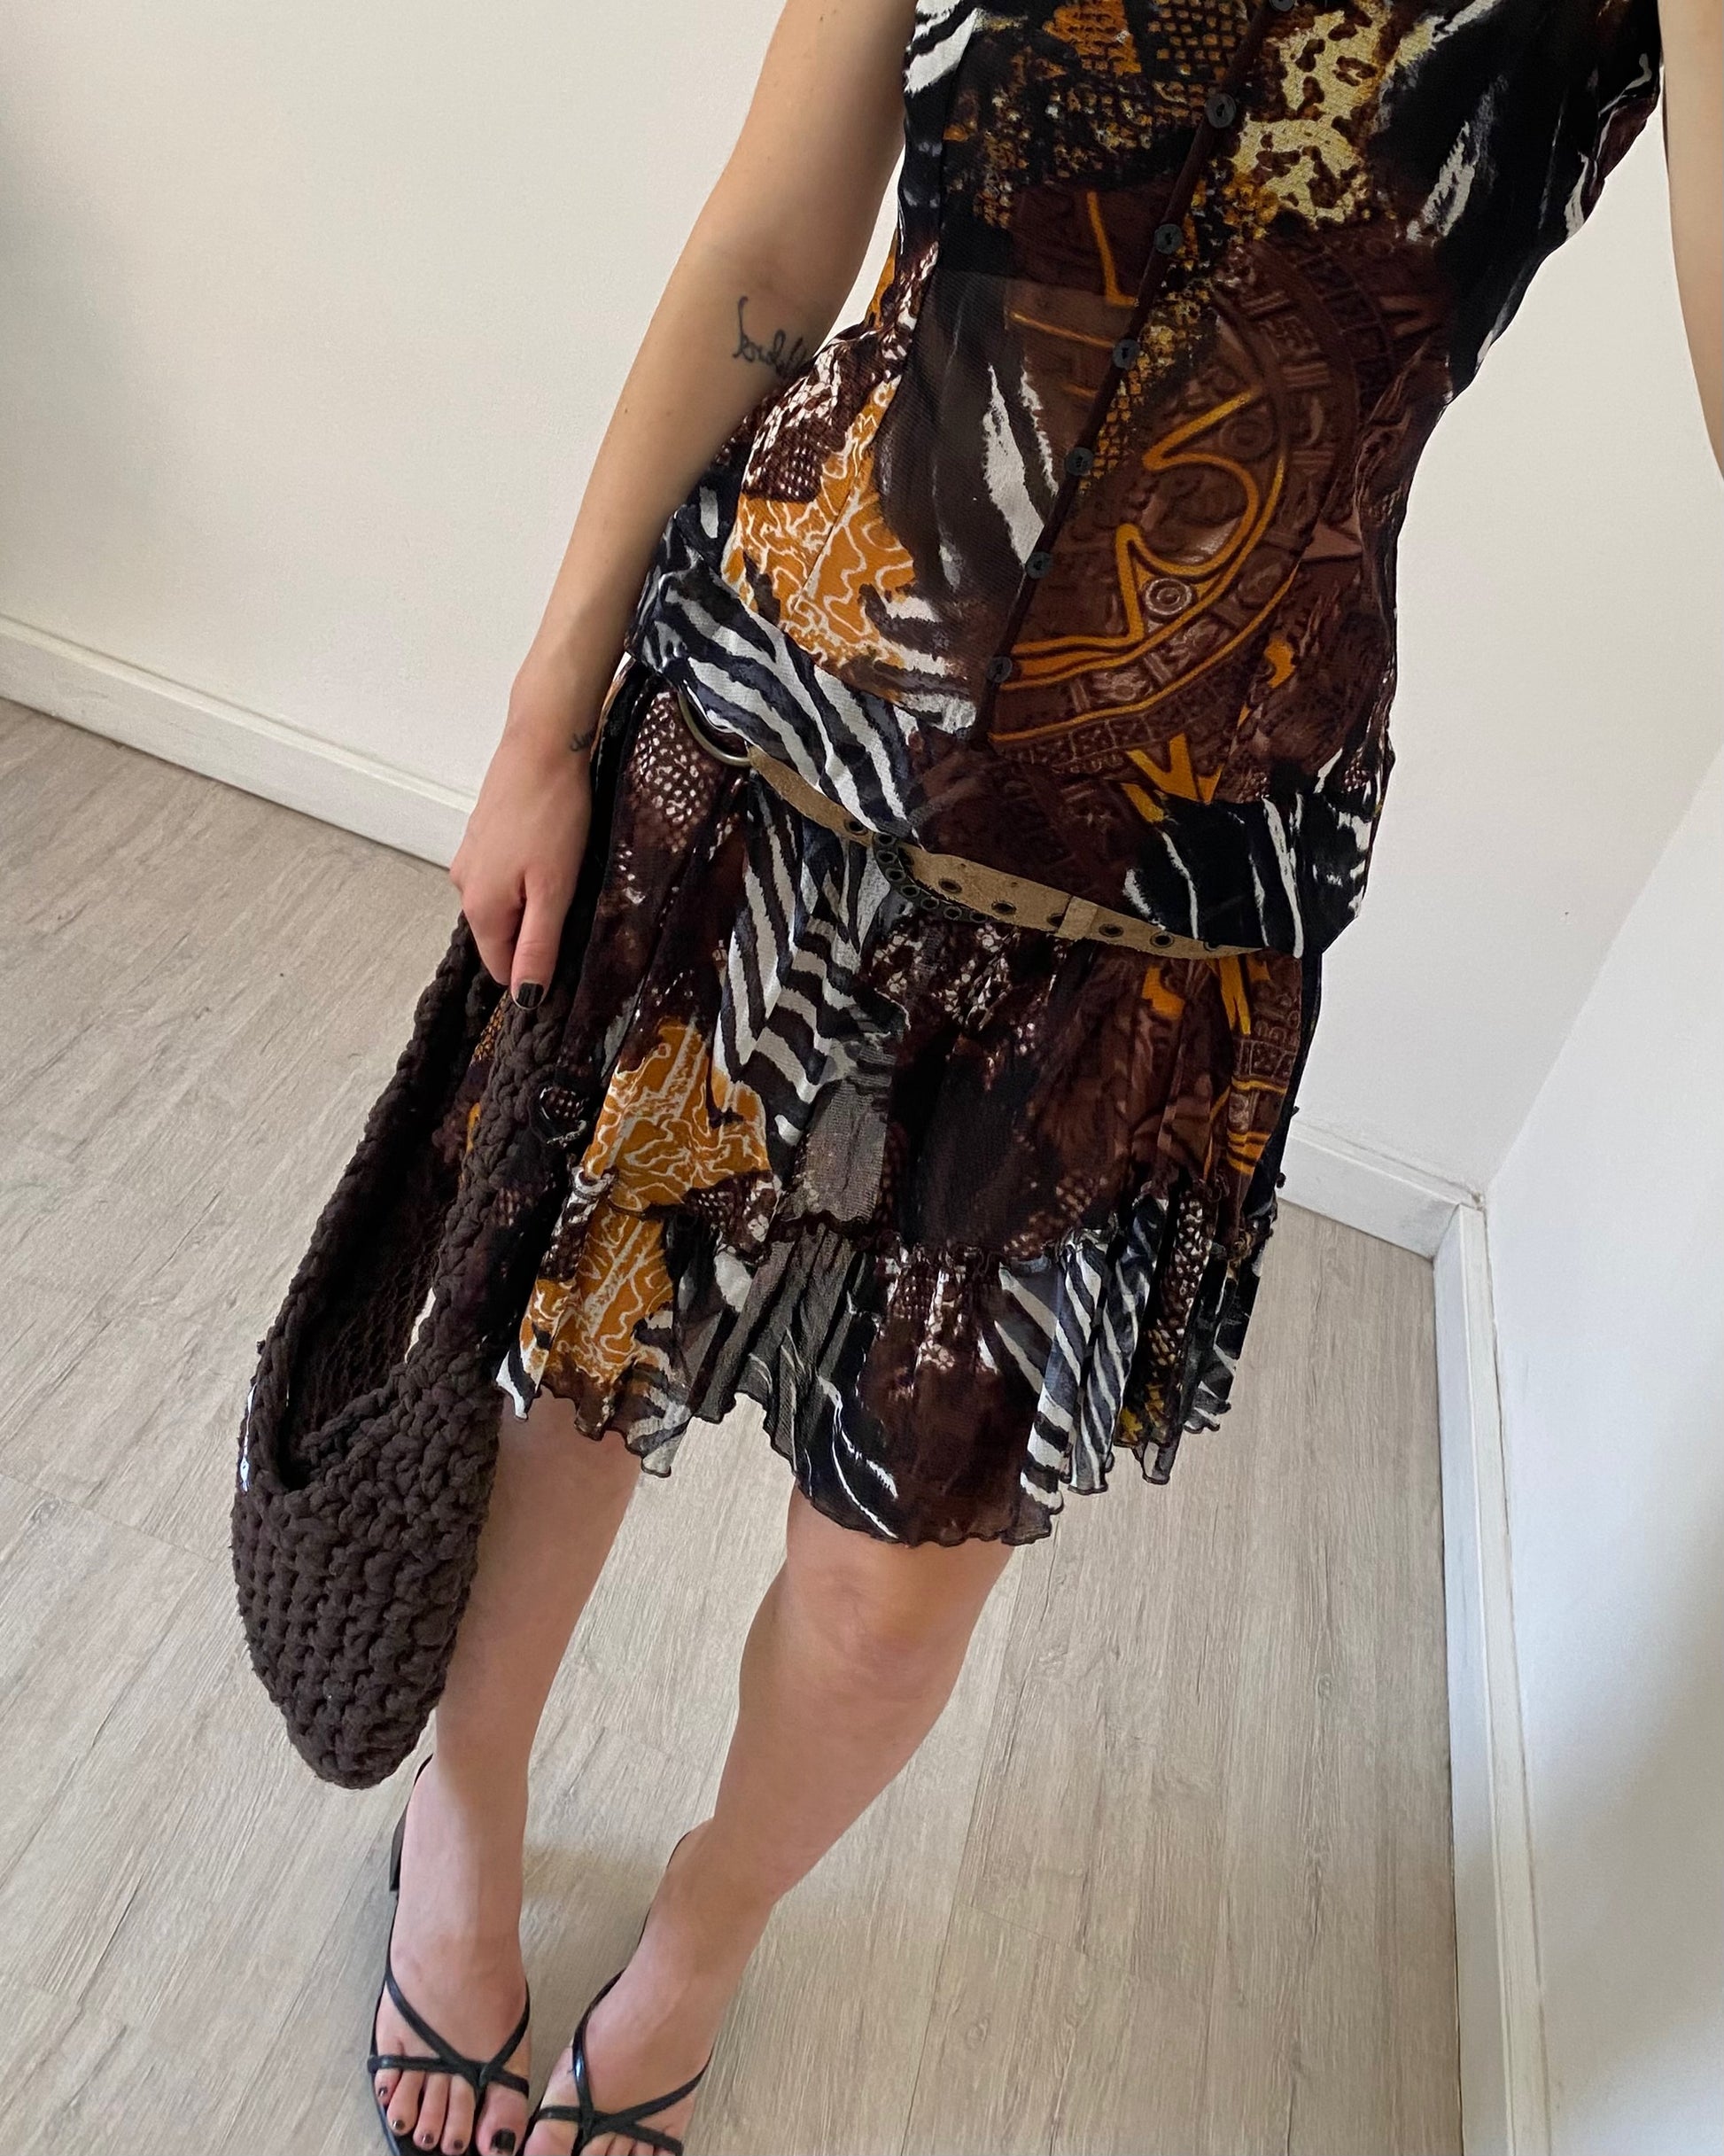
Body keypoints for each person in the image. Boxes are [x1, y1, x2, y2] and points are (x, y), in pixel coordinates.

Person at [363, 4, 1720, 2152]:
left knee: (891, 1580)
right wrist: (544, 712)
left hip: (1168, 885)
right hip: (771, 730)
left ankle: (706, 1929)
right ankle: (462, 1813)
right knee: (569, 1353)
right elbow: (773, 239)